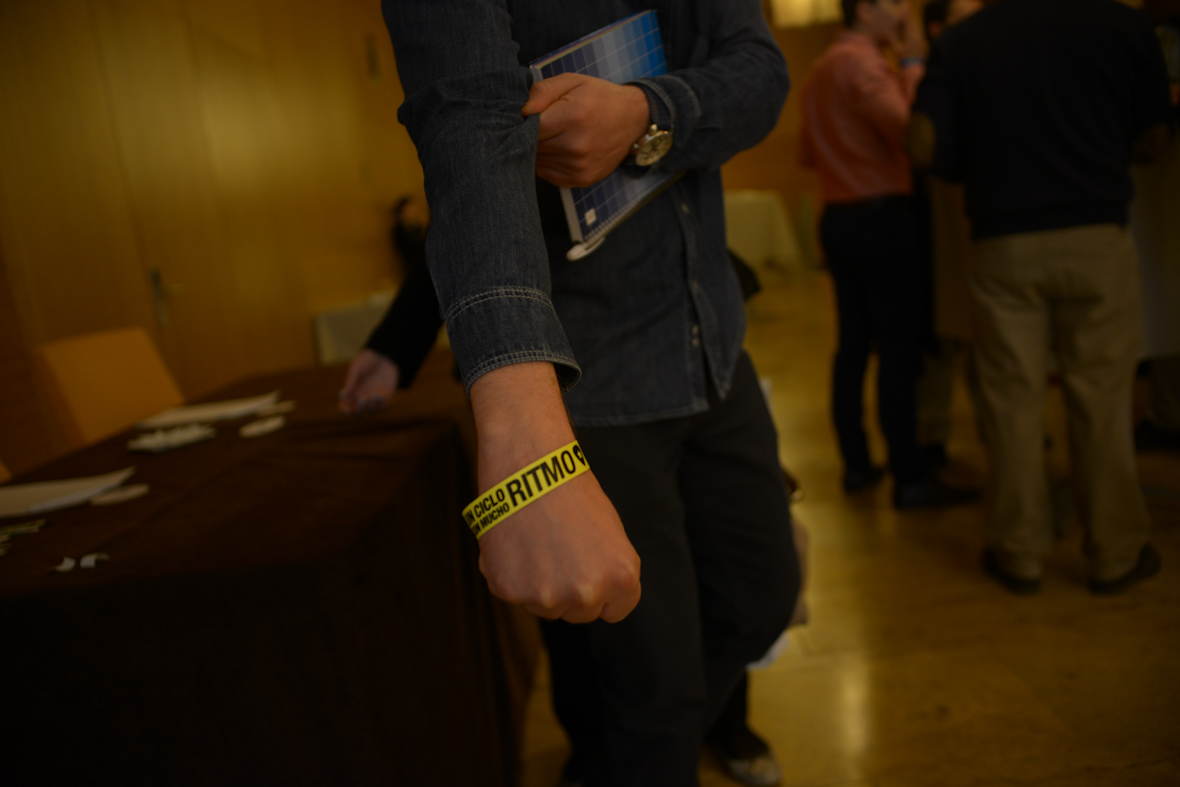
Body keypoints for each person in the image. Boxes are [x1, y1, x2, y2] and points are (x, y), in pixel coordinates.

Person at [379, 2, 802, 785]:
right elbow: (468, 132)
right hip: (594, 374)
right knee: (654, 686)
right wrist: (520, 437)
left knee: (763, 600)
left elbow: (761, 73)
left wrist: (649, 112)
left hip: (711, 342)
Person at [909, 0, 1174, 594]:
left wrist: (975, 164)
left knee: (1012, 402)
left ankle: (1018, 549)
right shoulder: (1123, 24)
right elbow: (1155, 136)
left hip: (1002, 244)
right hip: (1097, 233)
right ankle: (1116, 552)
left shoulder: (962, 41)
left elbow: (923, 143)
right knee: (1102, 399)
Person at [798, 0, 979, 509]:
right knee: (898, 351)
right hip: (880, 218)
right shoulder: (864, 65)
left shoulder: (819, 69)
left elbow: (807, 154)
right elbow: (914, 134)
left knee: (853, 347)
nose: (903, 12)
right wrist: (915, 63)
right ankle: (910, 477)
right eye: (894, 2)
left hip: (838, 214)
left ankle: (857, 464)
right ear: (865, 9)